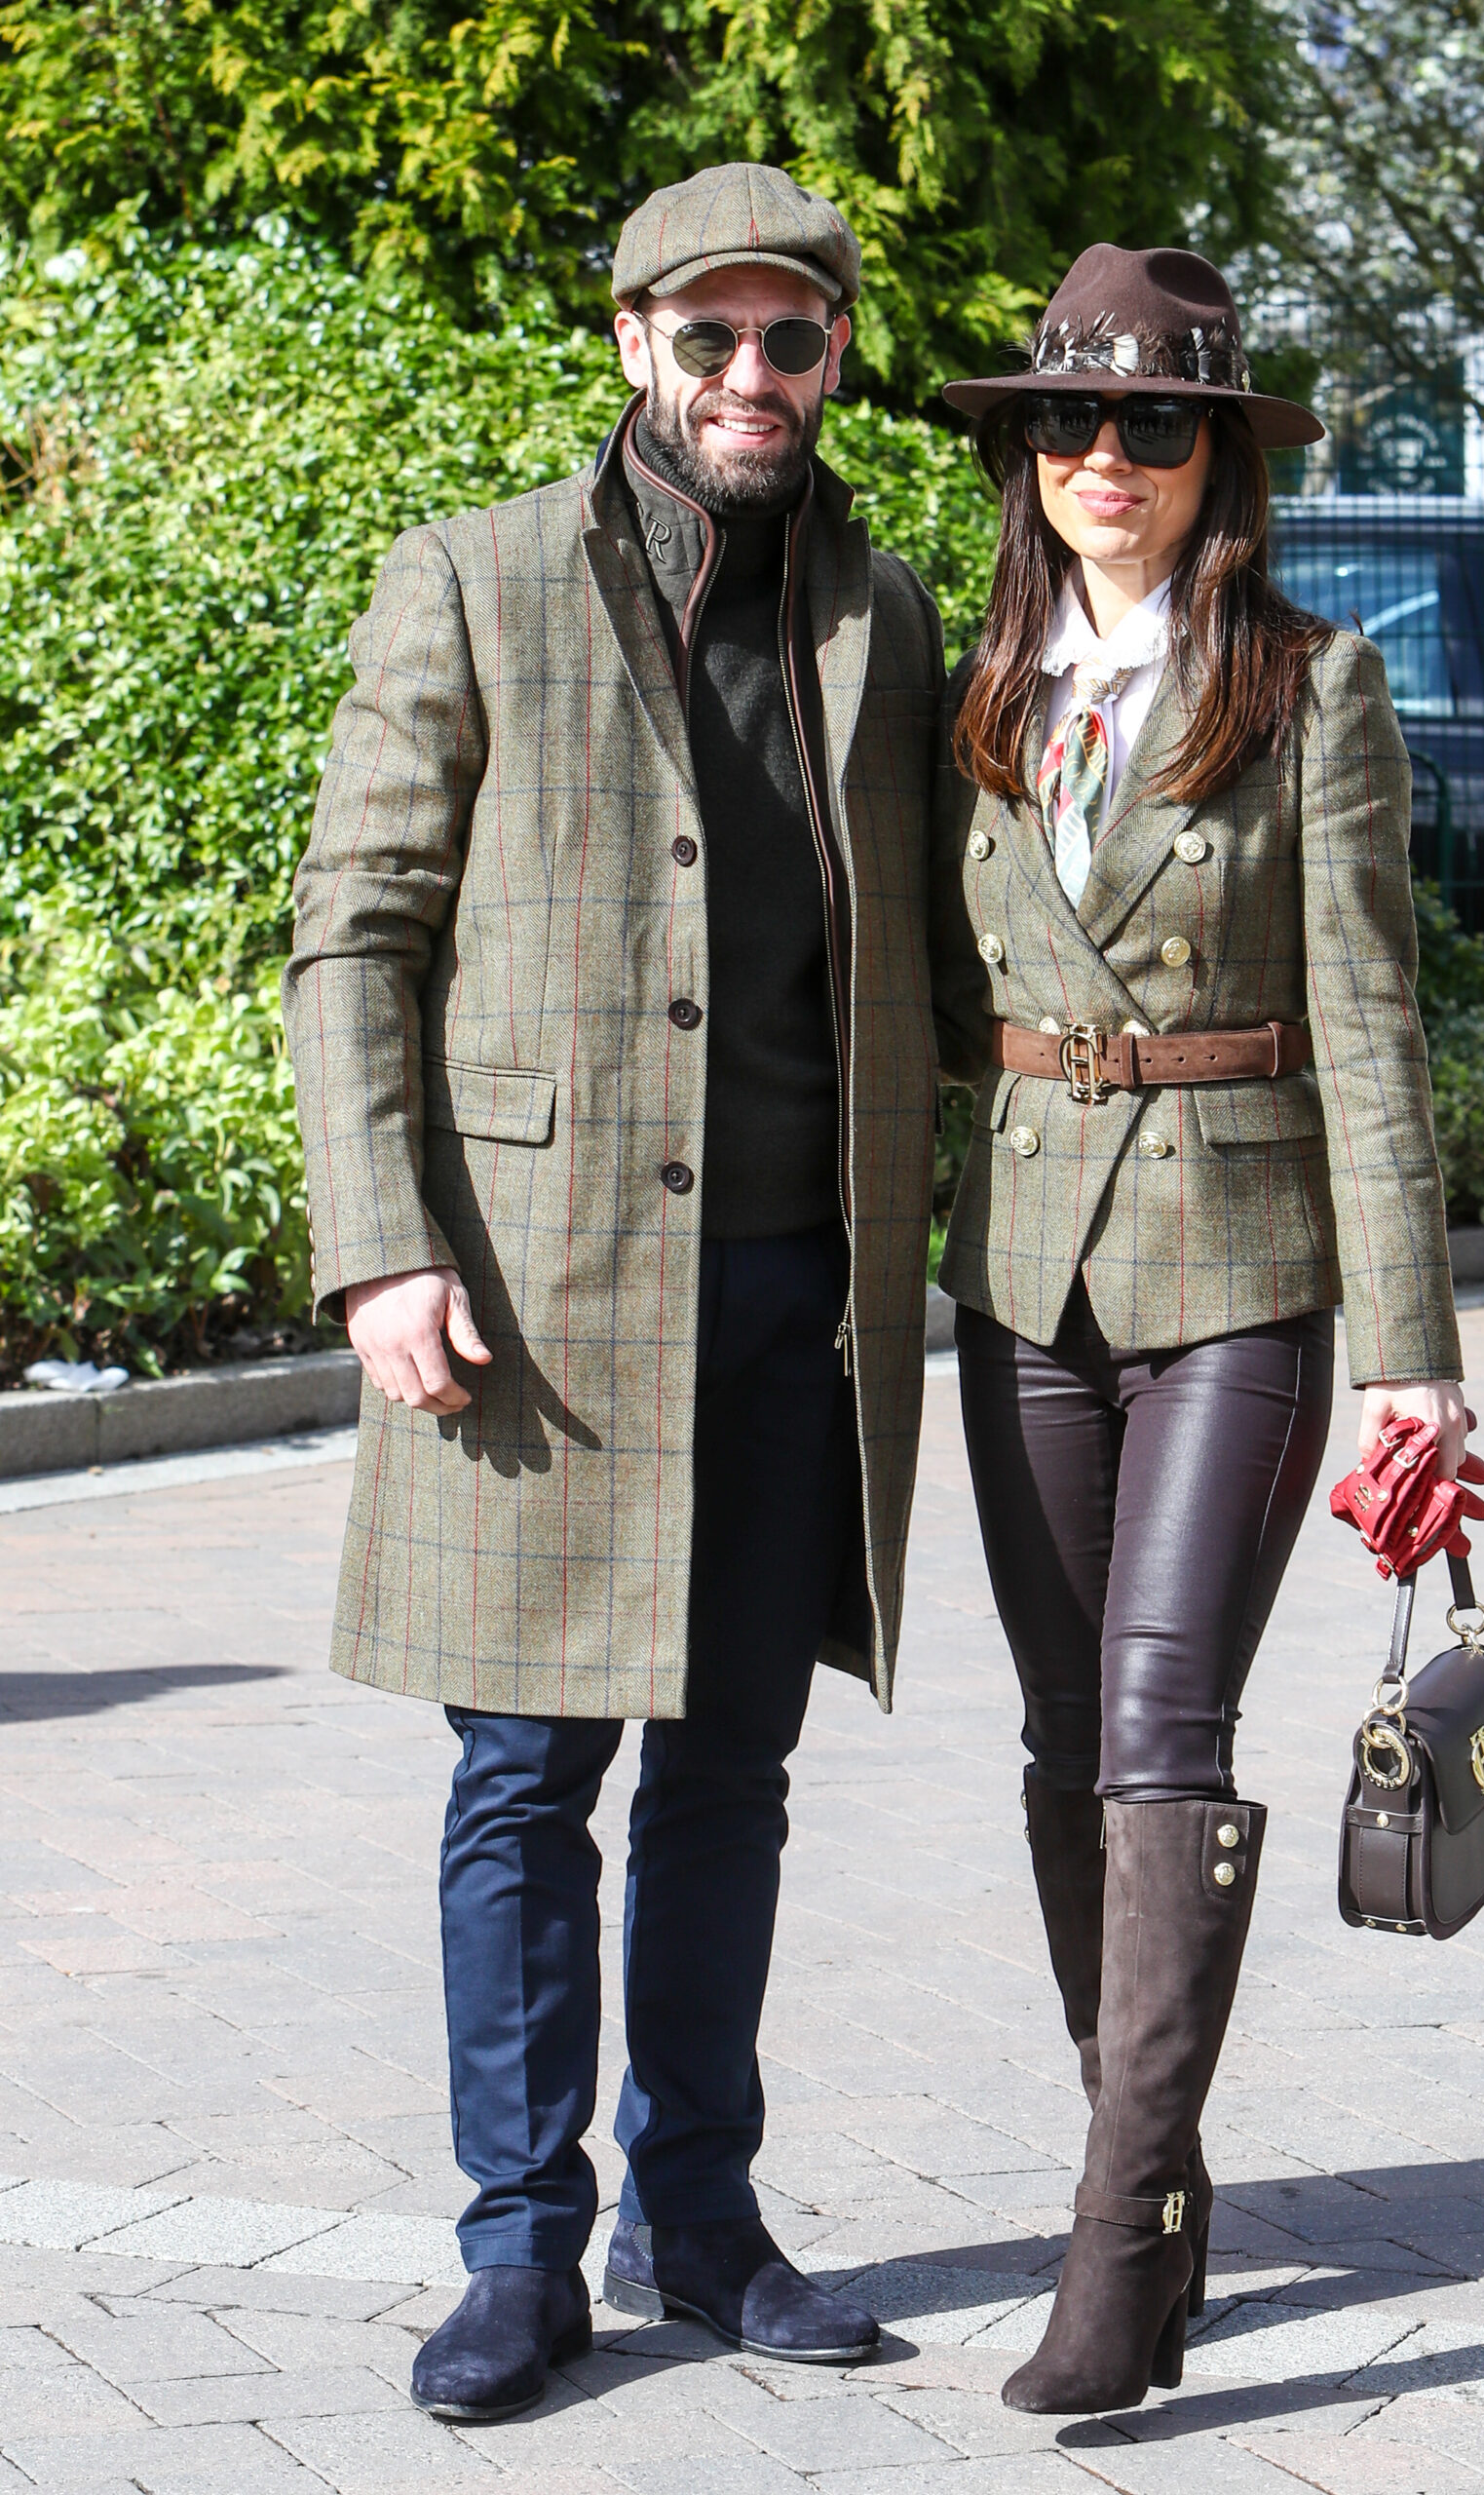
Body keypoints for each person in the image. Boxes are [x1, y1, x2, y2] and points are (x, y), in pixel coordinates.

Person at [284, 160, 985, 2423]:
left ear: (837, 353)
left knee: (731, 1773)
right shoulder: (470, 579)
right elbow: (356, 929)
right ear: (632, 347)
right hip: (535, 1298)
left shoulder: (887, 613)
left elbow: (975, 946)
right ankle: (517, 2246)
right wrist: (382, 1236)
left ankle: (702, 2217)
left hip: (801, 1284)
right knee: (520, 1777)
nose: (753, 376)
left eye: (792, 338)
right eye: (712, 338)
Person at [933, 245, 1469, 2415]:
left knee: (1161, 1725)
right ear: (1023, 455)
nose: (1102, 460)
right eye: (1065, 422)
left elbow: (1367, 1015)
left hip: (1239, 1260)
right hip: (1015, 1265)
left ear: (1218, 453)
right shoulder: (971, 689)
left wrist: (1410, 1349)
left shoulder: (1308, 685)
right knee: (1065, 1742)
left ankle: (1108, 2225)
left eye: (1151, 424)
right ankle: (1157, 2182)